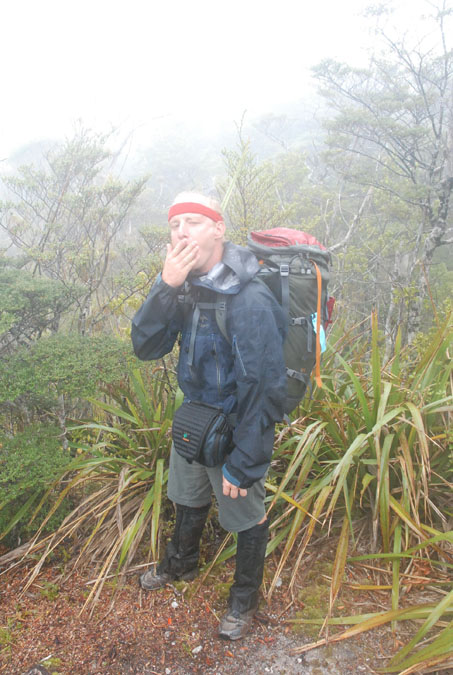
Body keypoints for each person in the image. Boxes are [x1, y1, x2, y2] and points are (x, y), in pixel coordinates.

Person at [131, 192, 286, 640]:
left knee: (246, 516)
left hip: (236, 426)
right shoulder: (185, 286)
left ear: (219, 229)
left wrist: (246, 460)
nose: (182, 233)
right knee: (187, 496)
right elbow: (146, 347)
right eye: (175, 225)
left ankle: (244, 600)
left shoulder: (249, 298)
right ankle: (180, 563)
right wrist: (166, 286)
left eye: (194, 222)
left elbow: (264, 387)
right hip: (195, 418)